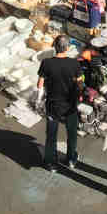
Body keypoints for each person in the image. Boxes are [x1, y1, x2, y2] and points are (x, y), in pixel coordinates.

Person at [36, 35, 83, 172]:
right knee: (72, 132)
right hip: (70, 105)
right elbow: (80, 84)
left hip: (53, 104)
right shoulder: (74, 64)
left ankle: (50, 163)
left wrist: (39, 99)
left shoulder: (46, 63)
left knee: (51, 134)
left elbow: (40, 84)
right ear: (67, 48)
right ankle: (71, 159)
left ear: (54, 47)